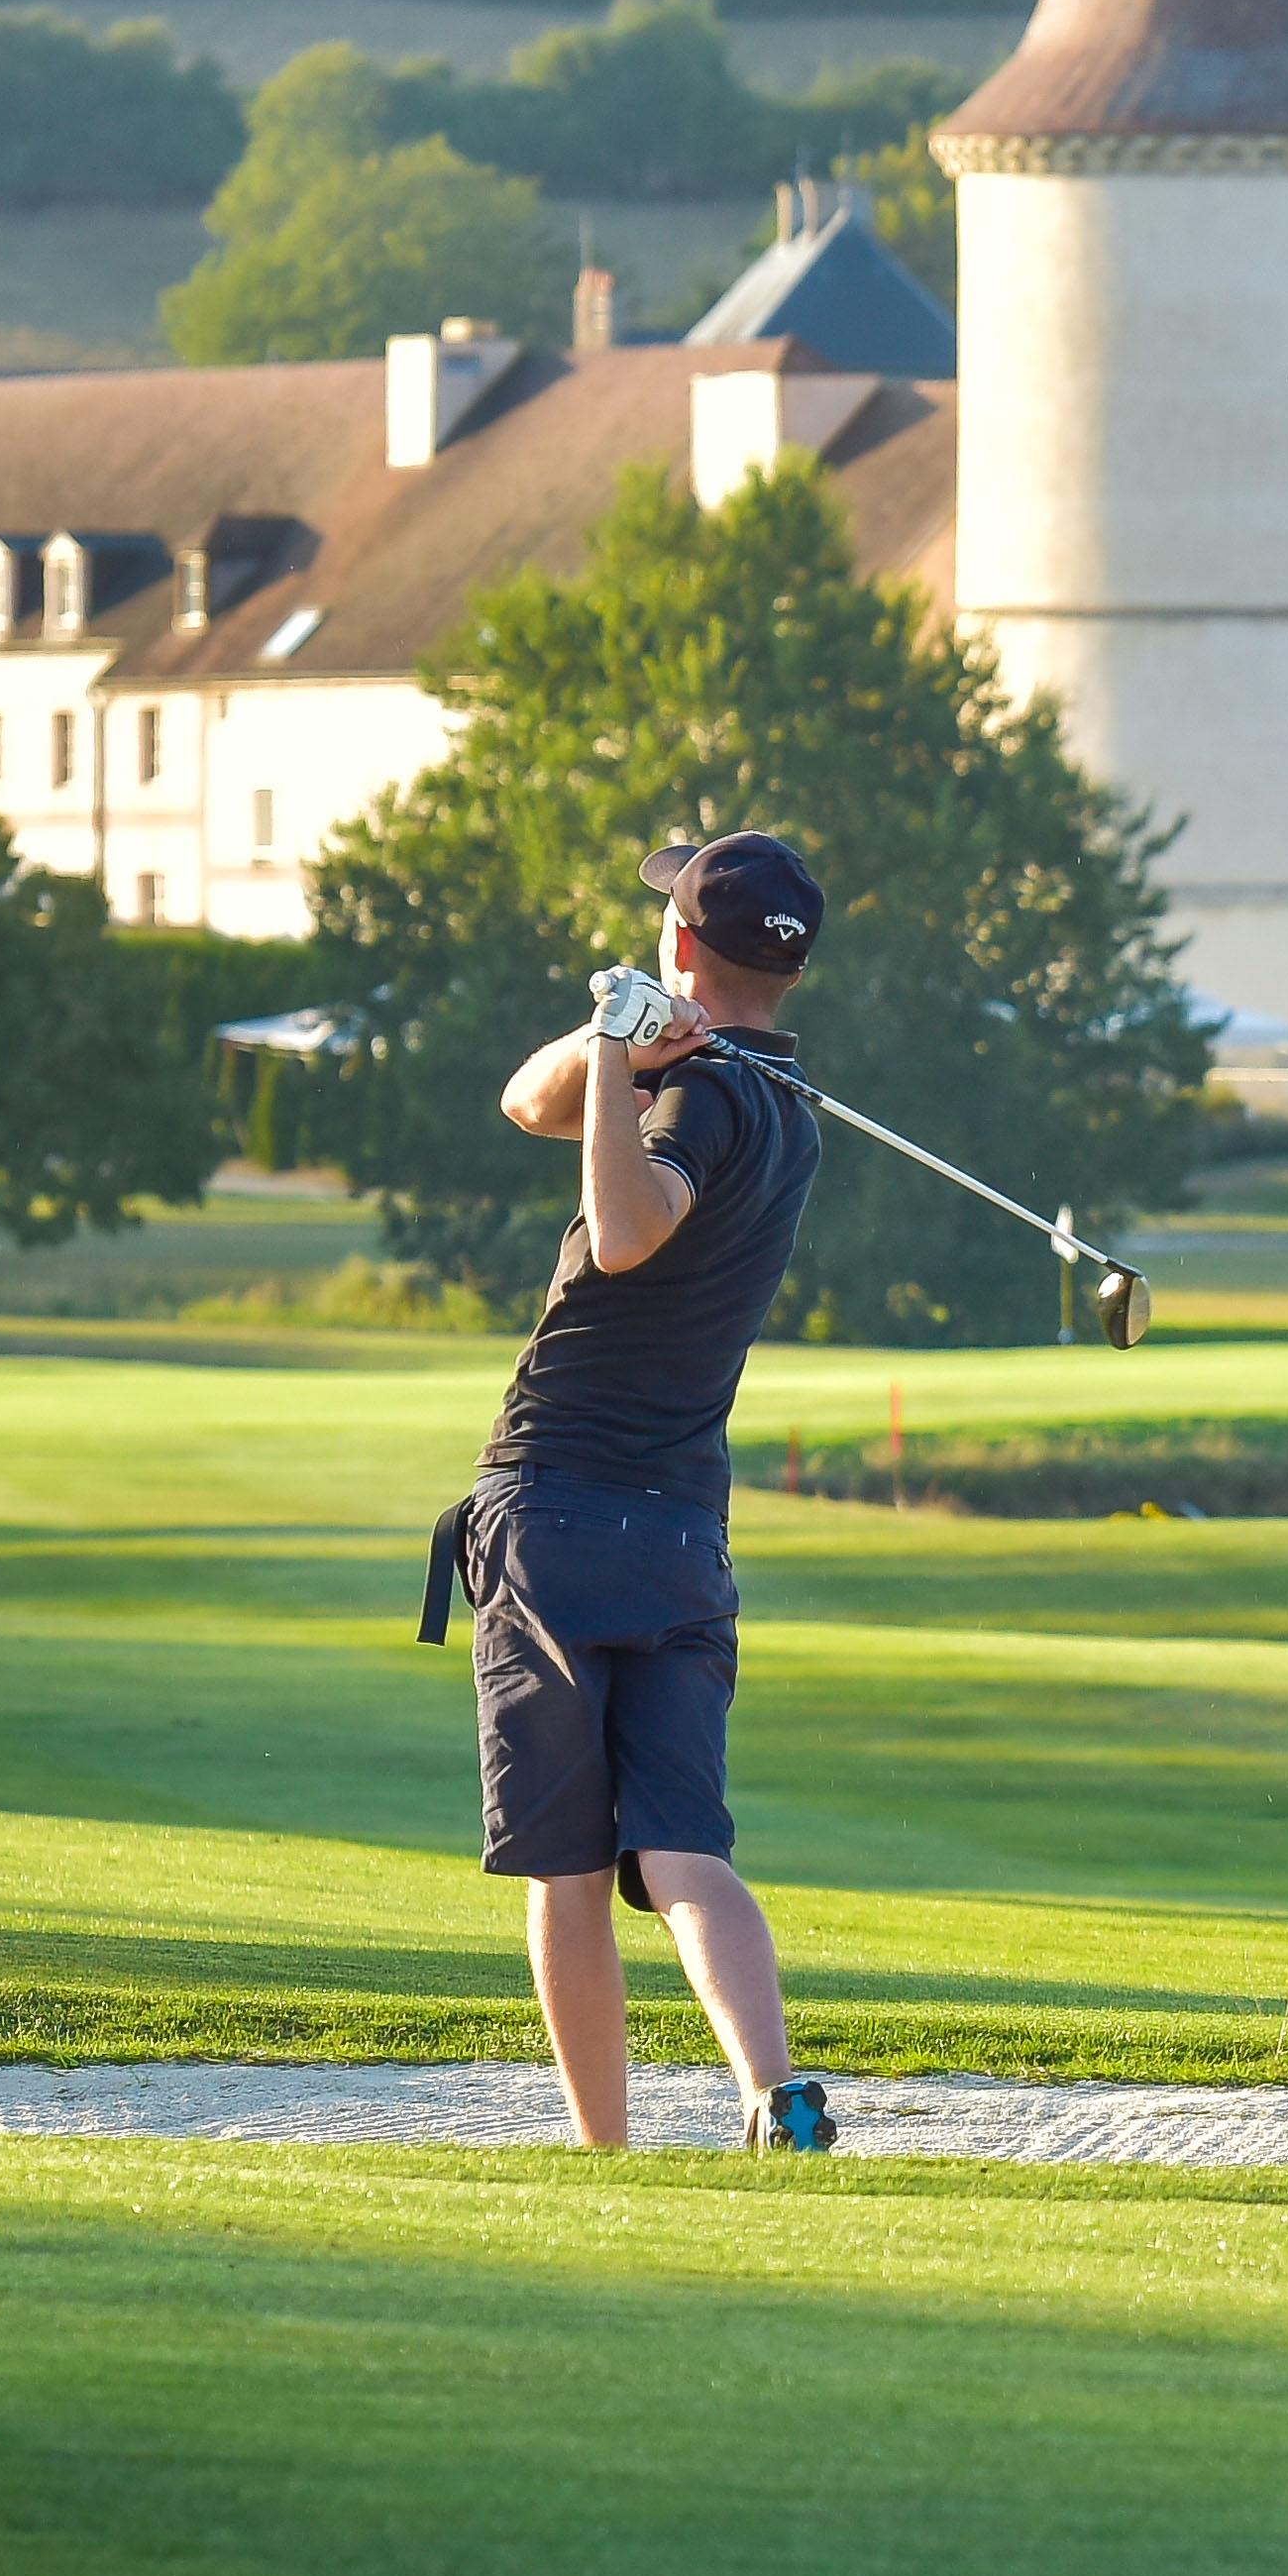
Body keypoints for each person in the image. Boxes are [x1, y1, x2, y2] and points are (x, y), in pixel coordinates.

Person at [423, 829, 844, 2156]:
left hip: (556, 1506)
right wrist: (614, 1041)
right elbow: (526, 1102)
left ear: (681, 945)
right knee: (680, 1851)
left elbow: (623, 1231)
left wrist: (623, 1051)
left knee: (563, 1864)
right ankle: (777, 2095)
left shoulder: (700, 1102)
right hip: (677, 1534)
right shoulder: (780, 1108)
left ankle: (606, 2153)